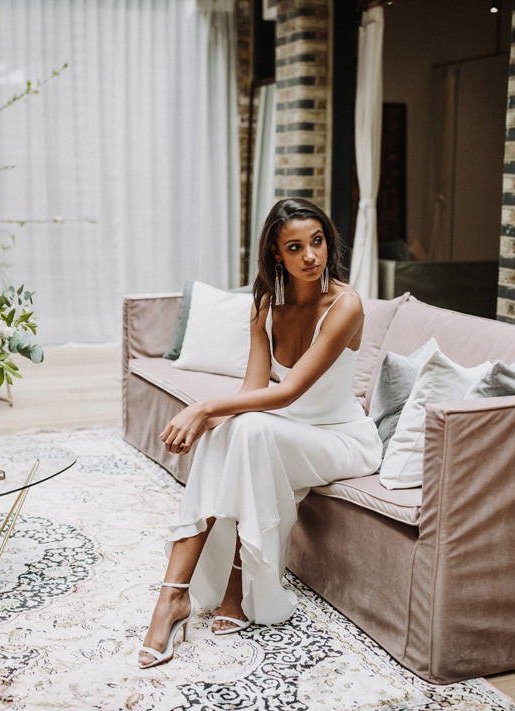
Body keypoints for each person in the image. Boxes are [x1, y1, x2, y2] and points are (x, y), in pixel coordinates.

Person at [137, 198, 382, 669]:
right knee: (230, 433)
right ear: (276, 255)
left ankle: (230, 588)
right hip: (283, 431)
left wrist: (206, 406)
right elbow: (254, 389)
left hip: (341, 439)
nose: (311, 256)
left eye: (318, 242)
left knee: (245, 428)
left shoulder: (346, 305)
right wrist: (208, 422)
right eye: (296, 247)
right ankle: (176, 596)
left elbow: (286, 392)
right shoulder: (266, 304)